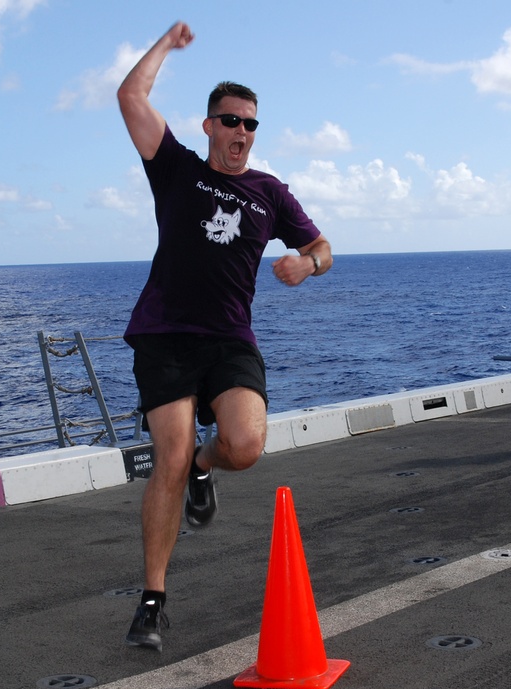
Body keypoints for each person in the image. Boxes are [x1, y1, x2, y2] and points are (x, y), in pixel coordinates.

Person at [117, 21, 333, 652]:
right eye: (230, 121)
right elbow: (131, 97)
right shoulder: (177, 169)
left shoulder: (269, 193)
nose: (242, 132)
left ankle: (208, 471)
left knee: (243, 446)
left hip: (230, 340)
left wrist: (308, 264)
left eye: (250, 124)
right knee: (171, 458)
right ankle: (153, 601)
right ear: (209, 125)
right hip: (165, 336)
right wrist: (165, 44)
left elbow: (322, 245)